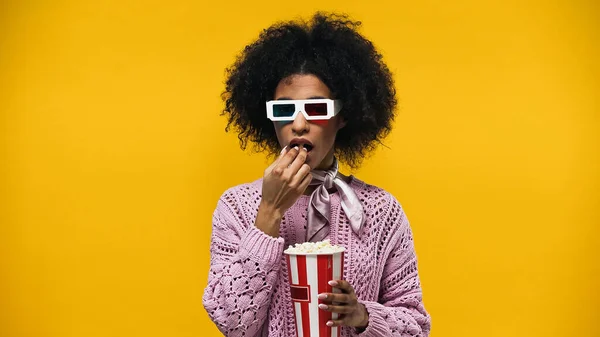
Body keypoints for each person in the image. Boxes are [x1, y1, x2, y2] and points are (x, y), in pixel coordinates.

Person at [203, 12, 431, 337]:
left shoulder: (382, 212)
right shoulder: (238, 207)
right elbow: (232, 323)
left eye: (317, 108)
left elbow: (416, 327)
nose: (298, 124)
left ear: (343, 116)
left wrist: (363, 316)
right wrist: (269, 212)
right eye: (283, 110)